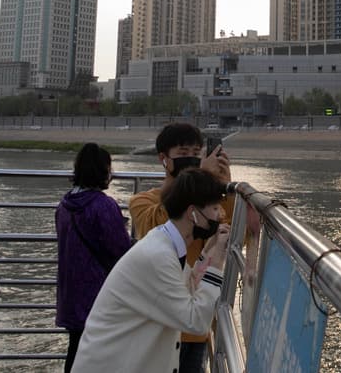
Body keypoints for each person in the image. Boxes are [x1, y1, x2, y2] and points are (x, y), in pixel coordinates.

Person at [72, 169, 232, 373]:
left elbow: (188, 286)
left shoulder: (166, 244)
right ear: (193, 213)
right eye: (215, 208)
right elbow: (196, 321)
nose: (221, 215)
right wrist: (217, 262)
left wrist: (208, 252)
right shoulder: (158, 256)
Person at [128, 123, 234, 373]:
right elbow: (156, 226)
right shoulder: (142, 201)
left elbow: (234, 239)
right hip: (158, 327)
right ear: (163, 159)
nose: (193, 159)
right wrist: (192, 182)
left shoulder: (209, 206)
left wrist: (224, 191)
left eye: (198, 153)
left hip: (197, 327)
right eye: (184, 151)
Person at [55, 143, 133, 372]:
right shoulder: (103, 205)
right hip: (98, 293)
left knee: (76, 349)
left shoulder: (65, 204)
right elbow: (120, 250)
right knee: (101, 354)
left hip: (70, 292)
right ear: (104, 170)